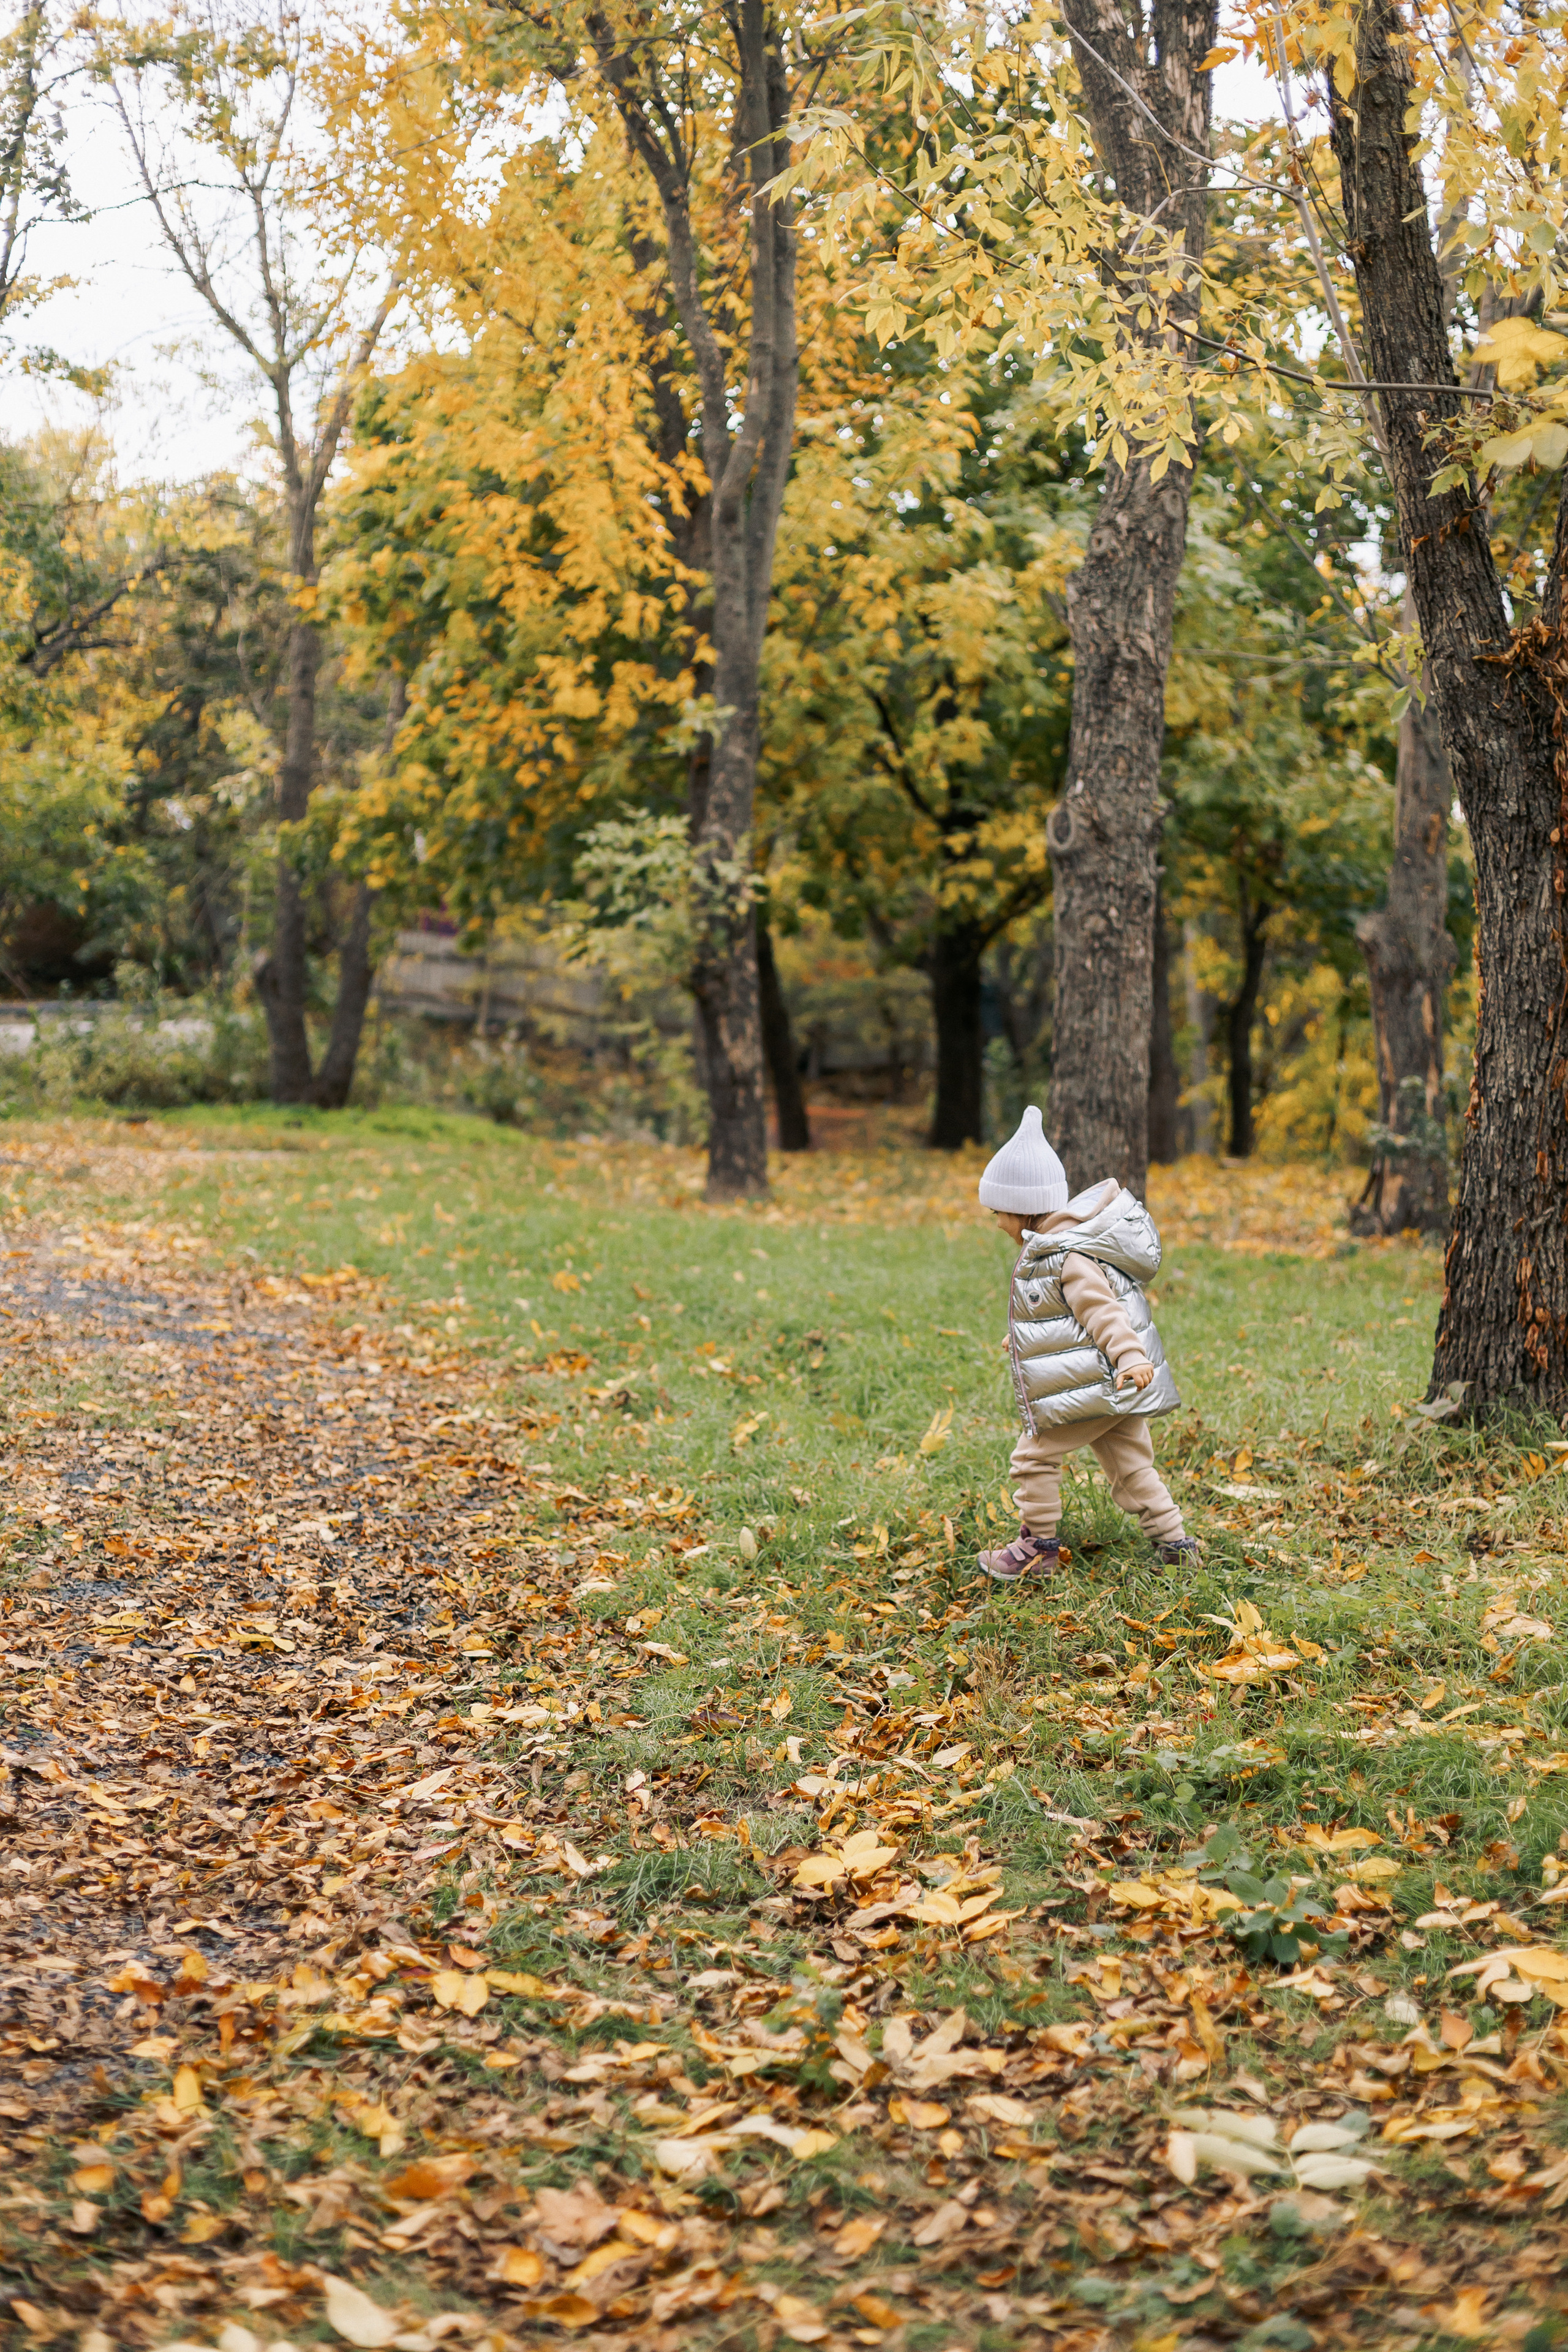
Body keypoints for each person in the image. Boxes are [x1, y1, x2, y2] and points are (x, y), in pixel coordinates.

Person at [974, 1105, 1199, 1581]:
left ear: (1022, 1206)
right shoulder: (1057, 1249)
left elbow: (1103, 1311)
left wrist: (1131, 1357)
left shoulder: (1067, 1256)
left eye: (998, 1212)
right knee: (1131, 1468)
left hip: (1101, 1383)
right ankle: (1177, 1546)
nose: (996, 1223)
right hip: (1111, 1387)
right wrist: (1021, 1341)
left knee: (1033, 1455)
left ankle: (1037, 1550)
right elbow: (1061, 1317)